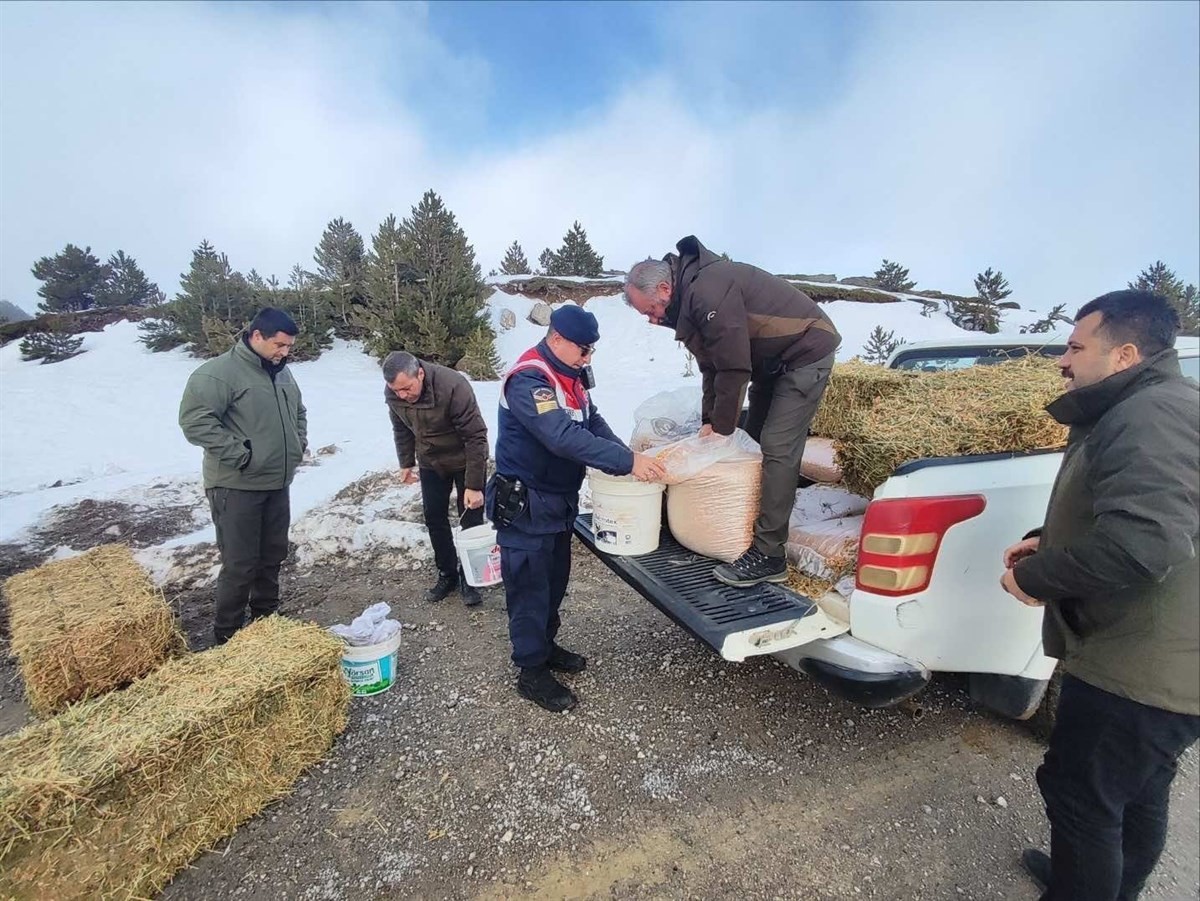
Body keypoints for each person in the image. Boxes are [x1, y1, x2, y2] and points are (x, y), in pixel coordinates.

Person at [999, 289, 1199, 901]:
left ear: (1124, 354)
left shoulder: (1151, 414)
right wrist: (1048, 539)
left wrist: (1034, 578)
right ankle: (1110, 887)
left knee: (1082, 797)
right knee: (1138, 787)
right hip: (1167, 657)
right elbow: (1133, 512)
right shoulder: (1156, 404)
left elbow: (1144, 543)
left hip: (1138, 661)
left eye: (1076, 346)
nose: (1063, 360)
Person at [624, 236, 841, 588]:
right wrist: (710, 422)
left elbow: (734, 368)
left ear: (665, 288)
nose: (652, 320)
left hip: (804, 352)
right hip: (771, 361)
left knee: (776, 445)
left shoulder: (708, 291)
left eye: (650, 310)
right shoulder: (690, 298)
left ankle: (770, 555)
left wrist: (722, 427)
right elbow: (711, 368)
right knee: (749, 439)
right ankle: (746, 528)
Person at [488, 304, 665, 712]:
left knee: (554, 583)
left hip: (558, 502)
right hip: (527, 504)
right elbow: (562, 437)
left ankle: (545, 648)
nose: (587, 358)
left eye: (591, 352)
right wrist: (627, 463)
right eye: (583, 350)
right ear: (556, 339)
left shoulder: (570, 376)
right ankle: (530, 672)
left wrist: (626, 454)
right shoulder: (530, 379)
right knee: (529, 588)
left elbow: (591, 421)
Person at [179, 307, 308, 645]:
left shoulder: (281, 372)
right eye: (279, 345)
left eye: (289, 346)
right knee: (240, 563)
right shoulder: (219, 374)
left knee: (272, 554)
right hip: (236, 485)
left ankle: (267, 617)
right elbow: (195, 422)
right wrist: (242, 456)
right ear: (256, 337)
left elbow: (298, 411)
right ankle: (228, 635)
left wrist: (298, 444)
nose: (285, 352)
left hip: (277, 482)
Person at [383, 350, 490, 607]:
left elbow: (476, 436)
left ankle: (471, 578)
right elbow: (401, 427)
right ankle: (447, 574)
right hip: (431, 459)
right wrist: (406, 461)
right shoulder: (394, 391)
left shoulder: (453, 386)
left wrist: (474, 485)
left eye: (407, 389)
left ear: (420, 373)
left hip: (465, 459)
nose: (402, 396)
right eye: (396, 391)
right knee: (434, 516)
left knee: (471, 518)